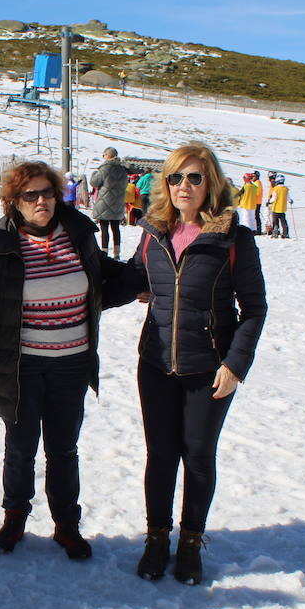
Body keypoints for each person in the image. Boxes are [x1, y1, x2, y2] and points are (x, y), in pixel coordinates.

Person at [0, 161, 129, 560]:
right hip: (19, 365)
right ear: (15, 202)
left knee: (63, 448)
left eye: (47, 193)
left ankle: (66, 525)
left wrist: (142, 283)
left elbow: (103, 279)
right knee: (20, 447)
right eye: (30, 195)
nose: (41, 201)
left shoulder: (79, 234)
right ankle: (14, 517)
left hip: (71, 362)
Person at [121, 142, 267, 585]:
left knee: (198, 457)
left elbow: (254, 308)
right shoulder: (154, 232)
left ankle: (190, 543)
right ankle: (156, 539)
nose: (184, 186)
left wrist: (235, 364)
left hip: (210, 368)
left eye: (195, 178)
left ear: (212, 183)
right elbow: (132, 277)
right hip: (156, 363)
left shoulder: (233, 238)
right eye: (176, 178)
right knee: (160, 456)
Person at [88, 147, 127, 258]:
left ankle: (104, 252)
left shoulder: (104, 169)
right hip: (118, 203)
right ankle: (117, 252)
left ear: (107, 156)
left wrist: (94, 174)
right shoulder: (122, 169)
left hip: (104, 203)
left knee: (104, 229)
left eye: (103, 155)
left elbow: (94, 183)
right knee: (116, 229)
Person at [267, 174, 291, 238]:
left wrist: (269, 202)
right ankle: (285, 233)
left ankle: (275, 233)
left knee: (275, 222)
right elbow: (288, 198)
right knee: (283, 222)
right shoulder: (286, 189)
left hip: (276, 208)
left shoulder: (276, 189)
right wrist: (290, 201)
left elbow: (274, 198)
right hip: (283, 208)